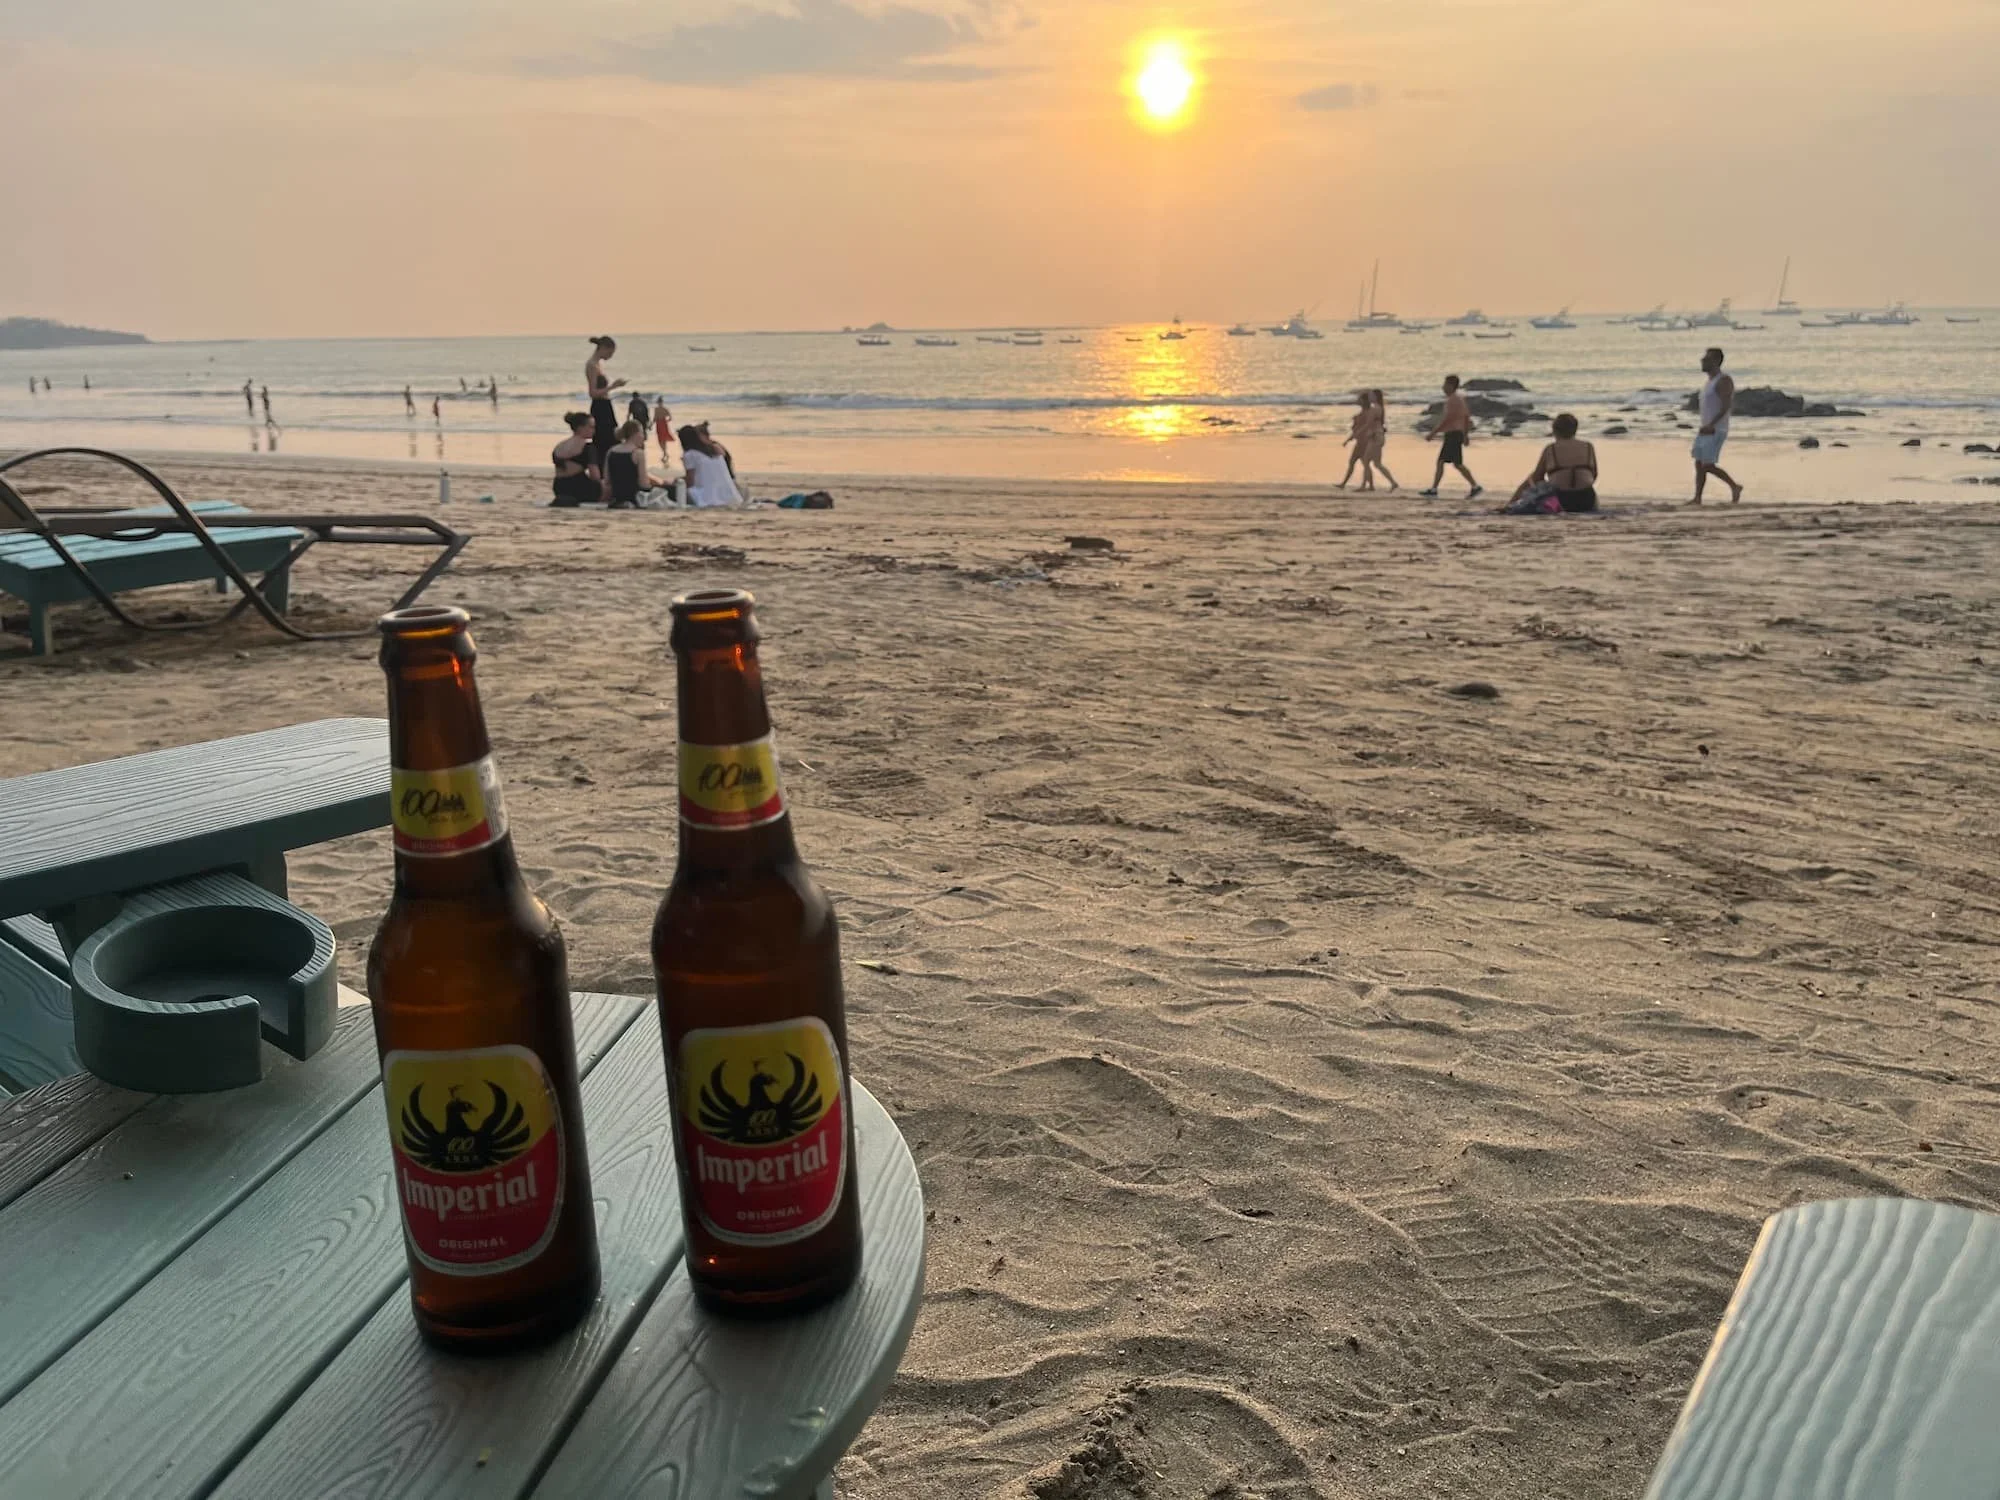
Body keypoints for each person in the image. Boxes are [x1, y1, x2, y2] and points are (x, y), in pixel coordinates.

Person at [1500, 413, 1598, 514]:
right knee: (1588, 489)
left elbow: (1537, 478)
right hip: (1587, 500)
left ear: (1554, 430)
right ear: (1575, 430)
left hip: (1561, 501)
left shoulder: (1550, 449)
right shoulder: (1588, 447)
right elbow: (1594, 475)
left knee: (1532, 479)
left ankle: (1510, 505)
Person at [1692, 347, 1744, 504]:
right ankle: (1697, 498)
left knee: (1707, 464)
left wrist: (1712, 424)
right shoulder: (1709, 382)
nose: (1702, 361)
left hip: (1716, 429)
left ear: (1715, 361)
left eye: (1706, 359)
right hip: (1705, 428)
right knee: (1699, 463)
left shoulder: (1723, 380)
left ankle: (1735, 486)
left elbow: (1726, 405)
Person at [1420, 375, 1481, 498]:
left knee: (1445, 462)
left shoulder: (1452, 400)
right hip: (1456, 434)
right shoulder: (1459, 399)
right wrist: (1465, 435)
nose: (1443, 387)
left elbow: (1447, 419)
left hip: (1453, 434)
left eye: (1445, 384)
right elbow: (1466, 418)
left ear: (1451, 386)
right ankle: (1474, 486)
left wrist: (1433, 433)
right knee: (1453, 463)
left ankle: (1434, 489)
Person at [679, 423, 745, 508]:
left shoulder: (689, 454)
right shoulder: (716, 448)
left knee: (679, 489)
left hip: (707, 496)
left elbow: (690, 481)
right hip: (730, 495)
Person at [585, 337, 624, 466]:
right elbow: (593, 393)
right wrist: (613, 386)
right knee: (605, 441)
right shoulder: (591, 365)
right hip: (600, 407)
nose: (610, 356)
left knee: (613, 438)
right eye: (610, 353)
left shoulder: (598, 364)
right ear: (603, 348)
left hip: (606, 405)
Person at [551, 412, 603, 507]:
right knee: (606, 486)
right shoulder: (588, 447)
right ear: (580, 428)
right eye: (591, 427)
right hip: (579, 487)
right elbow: (595, 476)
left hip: (559, 487)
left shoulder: (559, 446)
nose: (594, 430)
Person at [1361, 388, 1398, 492]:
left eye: (1371, 395)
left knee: (1367, 461)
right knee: (1376, 463)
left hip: (1375, 437)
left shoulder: (1375, 408)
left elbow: (1369, 423)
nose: (1369, 397)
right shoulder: (1380, 408)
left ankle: (1365, 485)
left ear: (1376, 397)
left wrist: (1359, 432)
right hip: (1378, 436)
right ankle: (1392, 483)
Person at [1336, 392, 1370, 489]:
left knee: (1355, 462)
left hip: (1362, 442)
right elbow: (1357, 429)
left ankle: (1344, 484)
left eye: (1359, 399)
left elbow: (1360, 429)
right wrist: (1348, 440)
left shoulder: (1365, 414)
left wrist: (1349, 439)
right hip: (1361, 441)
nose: (1357, 400)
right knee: (1363, 463)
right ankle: (1370, 485)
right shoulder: (1363, 414)